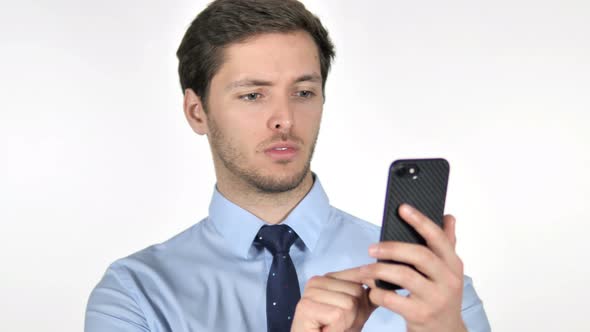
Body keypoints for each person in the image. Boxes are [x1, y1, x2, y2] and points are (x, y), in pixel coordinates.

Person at [85, 0, 491, 331]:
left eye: (302, 91)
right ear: (197, 112)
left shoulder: (427, 286)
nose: (284, 119)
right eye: (252, 95)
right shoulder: (133, 295)